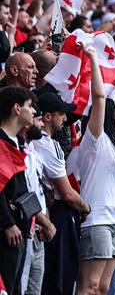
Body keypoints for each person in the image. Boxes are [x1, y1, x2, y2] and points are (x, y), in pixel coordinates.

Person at [75, 46, 115, 295]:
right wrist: (93, 59)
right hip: (97, 220)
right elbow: (99, 97)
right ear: (109, 116)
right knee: (89, 286)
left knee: (103, 287)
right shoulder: (95, 140)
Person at [35, 92, 90, 295]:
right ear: (47, 116)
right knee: (58, 279)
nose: (65, 119)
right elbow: (66, 193)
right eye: (61, 113)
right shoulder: (46, 145)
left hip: (49, 212)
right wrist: (86, 208)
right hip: (56, 214)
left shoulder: (38, 142)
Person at [0, 86, 38, 295]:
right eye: (30, 106)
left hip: (21, 230)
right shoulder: (1, 142)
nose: (33, 112)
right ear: (16, 108)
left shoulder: (18, 142)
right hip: (7, 232)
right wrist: (8, 224)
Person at [19, 109, 56, 295]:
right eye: (38, 119)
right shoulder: (15, 152)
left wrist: (45, 223)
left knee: (34, 291)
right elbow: (22, 196)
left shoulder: (33, 151)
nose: (42, 125)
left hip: (38, 232)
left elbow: (39, 193)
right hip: (24, 231)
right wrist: (46, 223)